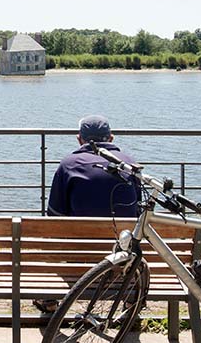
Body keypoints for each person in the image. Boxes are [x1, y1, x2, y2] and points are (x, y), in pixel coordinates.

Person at [37, 115, 139, 312]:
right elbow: (138, 212)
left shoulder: (68, 165)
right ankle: (130, 302)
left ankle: (49, 299)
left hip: (78, 259)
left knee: (53, 237)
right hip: (120, 256)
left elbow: (54, 215)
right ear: (111, 138)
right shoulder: (130, 164)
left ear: (79, 139)